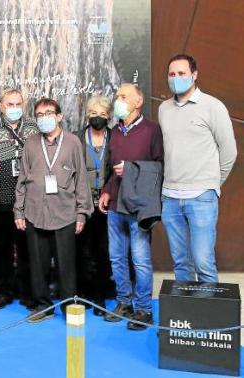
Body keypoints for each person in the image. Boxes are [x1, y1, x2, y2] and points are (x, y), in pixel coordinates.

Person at [159, 54, 237, 283]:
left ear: (194, 75)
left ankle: (208, 316)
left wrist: (211, 184)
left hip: (202, 197)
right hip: (170, 197)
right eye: (172, 74)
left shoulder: (213, 106)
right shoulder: (164, 108)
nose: (176, 78)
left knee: (203, 261)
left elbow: (229, 152)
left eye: (181, 73)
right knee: (181, 262)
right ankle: (186, 315)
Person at [14, 98, 92, 323]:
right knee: (37, 265)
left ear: (59, 116)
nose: (44, 118)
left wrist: (81, 213)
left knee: (66, 264)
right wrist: (18, 211)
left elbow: (81, 180)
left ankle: (69, 306)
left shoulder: (72, 143)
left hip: (64, 212)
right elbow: (22, 179)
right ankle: (43, 306)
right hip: (35, 212)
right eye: (39, 114)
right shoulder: (30, 143)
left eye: (49, 113)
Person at [98, 84, 163, 330]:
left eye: (123, 97)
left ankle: (144, 309)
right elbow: (110, 167)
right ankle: (124, 302)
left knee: (141, 259)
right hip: (115, 205)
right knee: (116, 257)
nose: (118, 101)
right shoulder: (114, 132)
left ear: (139, 102)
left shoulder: (152, 131)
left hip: (139, 206)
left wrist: (132, 169)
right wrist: (106, 190)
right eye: (117, 97)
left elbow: (159, 168)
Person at [0, 88, 38, 310]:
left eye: (17, 104)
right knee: (1, 249)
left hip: (29, 201)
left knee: (28, 249)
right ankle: (3, 292)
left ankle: (27, 292)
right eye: (9, 104)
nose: (14, 108)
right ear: (1, 106)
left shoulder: (34, 127)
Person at [74, 95, 114, 316]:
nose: (97, 118)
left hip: (107, 204)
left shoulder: (115, 138)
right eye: (93, 114)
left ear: (108, 116)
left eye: (101, 114)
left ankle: (100, 296)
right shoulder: (78, 138)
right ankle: (83, 294)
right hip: (82, 202)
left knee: (103, 251)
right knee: (82, 251)